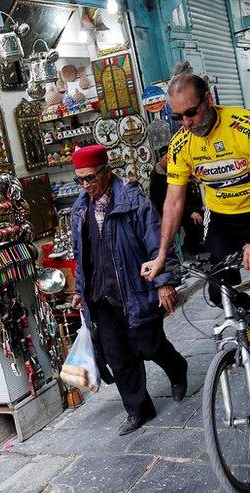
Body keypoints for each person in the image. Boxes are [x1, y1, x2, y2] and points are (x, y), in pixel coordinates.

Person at [139, 73, 250, 401]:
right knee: (218, 289)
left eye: (190, 112)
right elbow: (174, 200)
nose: (186, 122)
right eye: (177, 116)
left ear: (208, 100)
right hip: (221, 220)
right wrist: (162, 254)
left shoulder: (244, 126)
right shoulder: (181, 144)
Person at [70, 145, 188, 436]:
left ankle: (177, 367)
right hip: (101, 295)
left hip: (133, 289)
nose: (85, 185)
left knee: (148, 345)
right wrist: (80, 289)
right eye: (80, 180)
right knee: (118, 356)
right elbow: (81, 253)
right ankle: (138, 410)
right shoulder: (79, 209)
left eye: (90, 178)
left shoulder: (134, 201)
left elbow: (156, 242)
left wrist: (164, 282)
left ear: (107, 172)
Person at [149, 145, 205, 256]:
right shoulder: (158, 179)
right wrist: (190, 212)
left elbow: (186, 194)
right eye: (166, 158)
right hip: (170, 213)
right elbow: (165, 203)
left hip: (184, 208)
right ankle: (192, 250)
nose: (168, 160)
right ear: (162, 159)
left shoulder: (175, 170)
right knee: (193, 222)